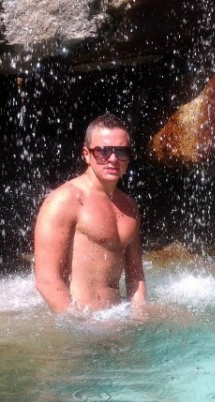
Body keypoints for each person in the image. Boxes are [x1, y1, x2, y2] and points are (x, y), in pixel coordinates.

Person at [34, 113, 147, 314]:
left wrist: (140, 317)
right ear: (86, 154)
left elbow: (135, 277)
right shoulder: (65, 201)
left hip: (117, 317)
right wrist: (78, 324)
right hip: (80, 323)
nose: (113, 159)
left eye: (121, 151)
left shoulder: (129, 206)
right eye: (103, 151)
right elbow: (46, 280)